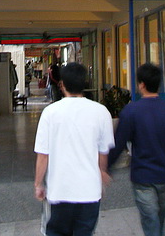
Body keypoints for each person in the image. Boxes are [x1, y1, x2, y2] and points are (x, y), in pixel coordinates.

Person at [108, 63, 165, 236]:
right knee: (159, 219)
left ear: (141, 85)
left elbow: (119, 143)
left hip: (142, 176)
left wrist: (106, 168)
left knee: (150, 221)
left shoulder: (131, 111)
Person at [34, 62, 114, 236]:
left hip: (59, 191)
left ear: (62, 84)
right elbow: (103, 152)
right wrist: (101, 175)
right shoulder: (101, 112)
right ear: (84, 83)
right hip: (89, 191)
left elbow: (43, 155)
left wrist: (39, 184)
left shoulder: (50, 113)